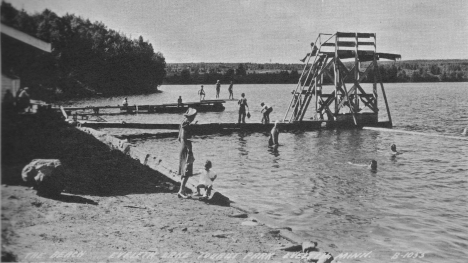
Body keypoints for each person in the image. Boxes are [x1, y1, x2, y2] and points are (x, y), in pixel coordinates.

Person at [177, 108, 198, 198]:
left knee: (183, 169)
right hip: (186, 148)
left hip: (181, 147)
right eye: (194, 116)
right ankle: (181, 190)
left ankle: (183, 190)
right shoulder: (187, 126)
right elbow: (187, 139)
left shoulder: (182, 124)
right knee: (187, 170)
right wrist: (190, 151)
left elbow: (179, 138)